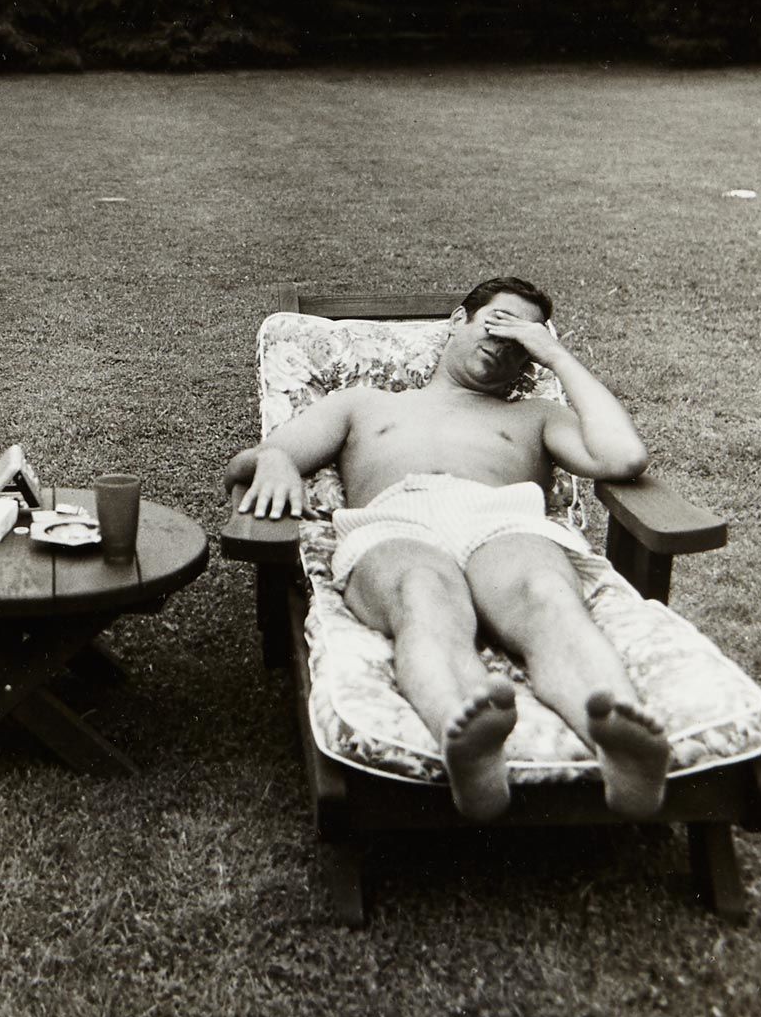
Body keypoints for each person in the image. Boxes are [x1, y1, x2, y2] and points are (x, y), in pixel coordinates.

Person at [225, 276, 669, 822]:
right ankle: (466, 739)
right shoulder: (363, 405)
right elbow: (260, 458)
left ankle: (620, 748)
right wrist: (273, 462)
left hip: (502, 519)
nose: (505, 342)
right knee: (421, 594)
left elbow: (624, 457)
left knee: (548, 594)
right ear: (458, 320)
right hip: (395, 519)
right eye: (498, 322)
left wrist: (556, 354)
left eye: (523, 336)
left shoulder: (534, 416)